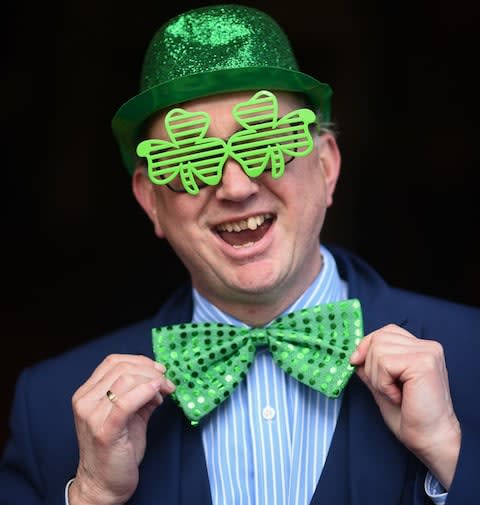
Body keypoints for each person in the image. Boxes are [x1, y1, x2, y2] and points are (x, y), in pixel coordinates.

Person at [1, 4, 479, 505]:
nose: (236, 186)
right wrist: (93, 496)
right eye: (190, 158)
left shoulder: (472, 355)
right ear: (150, 201)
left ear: (327, 166)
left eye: (267, 141)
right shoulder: (50, 409)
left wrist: (450, 453)